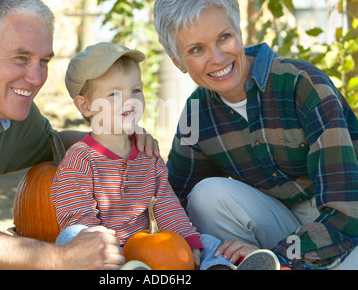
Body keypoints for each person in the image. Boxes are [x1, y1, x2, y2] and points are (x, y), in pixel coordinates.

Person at [0, 0, 158, 270]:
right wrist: (58, 259)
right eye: (21, 58)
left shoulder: (14, 116)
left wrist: (122, 140)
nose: (36, 78)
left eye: (43, 61)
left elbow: (57, 145)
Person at [153, 0, 358, 270]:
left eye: (224, 38)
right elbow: (173, 198)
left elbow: (347, 213)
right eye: (196, 50)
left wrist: (278, 257)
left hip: (355, 208)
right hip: (285, 219)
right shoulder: (197, 112)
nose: (217, 58)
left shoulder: (300, 83)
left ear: (240, 33)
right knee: (206, 196)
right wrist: (132, 150)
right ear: (178, 61)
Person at [51, 42, 283, 270]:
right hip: (107, 252)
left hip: (149, 244)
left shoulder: (147, 154)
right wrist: (106, 250)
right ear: (85, 106)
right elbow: (78, 215)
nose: (129, 100)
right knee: (71, 235)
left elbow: (165, 203)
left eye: (136, 90)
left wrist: (187, 240)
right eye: (114, 94)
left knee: (207, 241)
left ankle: (220, 266)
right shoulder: (81, 159)